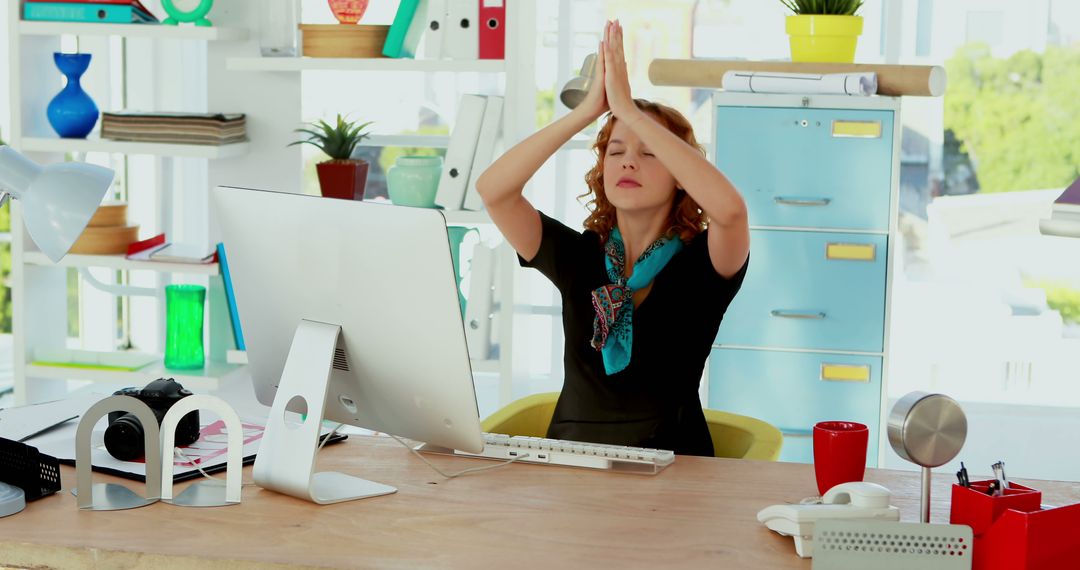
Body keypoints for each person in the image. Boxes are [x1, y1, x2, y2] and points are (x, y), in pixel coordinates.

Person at [475, 20, 750, 457]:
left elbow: (731, 210)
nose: (628, 162)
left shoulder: (704, 262)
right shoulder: (578, 256)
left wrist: (631, 112)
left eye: (649, 152)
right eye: (616, 151)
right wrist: (587, 112)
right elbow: (494, 191)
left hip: (672, 465)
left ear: (681, 176)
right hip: (570, 463)